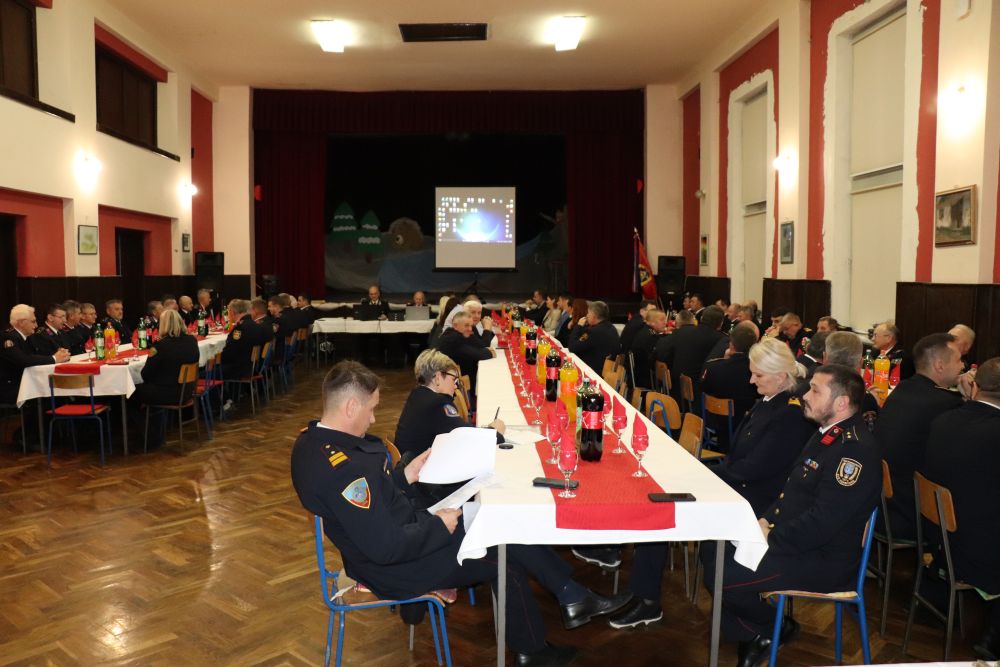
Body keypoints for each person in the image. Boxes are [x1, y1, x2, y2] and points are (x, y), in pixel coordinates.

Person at [290, 361, 629, 666]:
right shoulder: (346, 471)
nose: (374, 419)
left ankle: (569, 598)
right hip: (395, 566)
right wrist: (439, 526)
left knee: (497, 522)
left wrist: (404, 477)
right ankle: (538, 644)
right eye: (371, 409)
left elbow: (371, 508)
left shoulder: (311, 443)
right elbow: (386, 547)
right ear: (351, 407)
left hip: (403, 534)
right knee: (503, 555)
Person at [692, 365, 880, 666]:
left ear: (841, 403)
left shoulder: (853, 452)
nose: (805, 395)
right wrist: (764, 520)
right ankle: (753, 632)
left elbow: (823, 523)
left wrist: (770, 537)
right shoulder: (826, 435)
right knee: (713, 549)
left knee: (725, 576)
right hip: (797, 539)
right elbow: (790, 492)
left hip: (824, 558)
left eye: (815, 390)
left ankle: (771, 628)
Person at [921, 357, 1000, 661]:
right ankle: (994, 637)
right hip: (976, 552)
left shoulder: (943, 420)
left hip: (939, 538)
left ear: (975, 386)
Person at [874, 333, 964, 540]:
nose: (962, 366)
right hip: (912, 514)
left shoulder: (902, 389)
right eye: (959, 360)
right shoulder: (945, 404)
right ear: (940, 366)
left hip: (882, 505)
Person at [712, 337, 813, 514]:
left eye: (758, 375)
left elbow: (756, 468)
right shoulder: (769, 399)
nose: (751, 380)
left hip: (758, 501)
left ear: (780, 377)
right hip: (742, 485)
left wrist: (709, 472)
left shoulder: (789, 415)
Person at [129, 310, 200, 444]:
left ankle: (151, 437)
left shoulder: (160, 346)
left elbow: (145, 374)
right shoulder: (192, 340)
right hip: (187, 391)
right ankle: (157, 428)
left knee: (130, 394)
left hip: (168, 394)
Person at [699, 321, 761, 449]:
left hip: (716, 422)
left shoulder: (713, 367)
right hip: (746, 424)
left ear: (731, 345)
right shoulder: (757, 372)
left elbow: (703, 388)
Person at [654, 305, 726, 406]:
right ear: (721, 323)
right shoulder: (722, 340)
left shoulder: (684, 332)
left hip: (677, 389)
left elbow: (661, 349)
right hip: (700, 396)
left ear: (701, 318)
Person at [1, 305, 70, 404]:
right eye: (33, 321)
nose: (36, 325)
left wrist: (59, 354)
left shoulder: (28, 337)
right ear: (21, 323)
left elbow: (37, 355)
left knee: (57, 387)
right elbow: (24, 360)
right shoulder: (8, 338)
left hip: (27, 381)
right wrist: (54, 358)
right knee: (52, 391)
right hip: (12, 386)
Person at [434, 312, 494, 396]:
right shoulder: (453, 339)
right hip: (447, 384)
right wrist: (488, 351)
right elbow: (483, 354)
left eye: (471, 326)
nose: (470, 329)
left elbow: (481, 346)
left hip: (456, 376)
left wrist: (484, 350)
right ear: (455, 325)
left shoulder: (461, 333)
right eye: (466, 325)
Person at [220, 299, 270, 381]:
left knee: (208, 372)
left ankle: (226, 390)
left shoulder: (240, 329)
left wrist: (217, 359)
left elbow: (229, 353)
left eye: (229, 311)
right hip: (253, 367)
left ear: (233, 312)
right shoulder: (258, 325)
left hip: (240, 370)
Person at [568, 300, 620, 375]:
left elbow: (572, 347)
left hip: (592, 372)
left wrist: (578, 326)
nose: (586, 315)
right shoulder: (611, 328)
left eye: (588, 313)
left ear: (594, 315)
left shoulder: (593, 332)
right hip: (606, 370)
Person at [627, 308, 668, 391]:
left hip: (638, 375)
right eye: (662, 320)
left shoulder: (644, 330)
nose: (665, 322)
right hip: (646, 380)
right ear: (652, 322)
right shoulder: (650, 337)